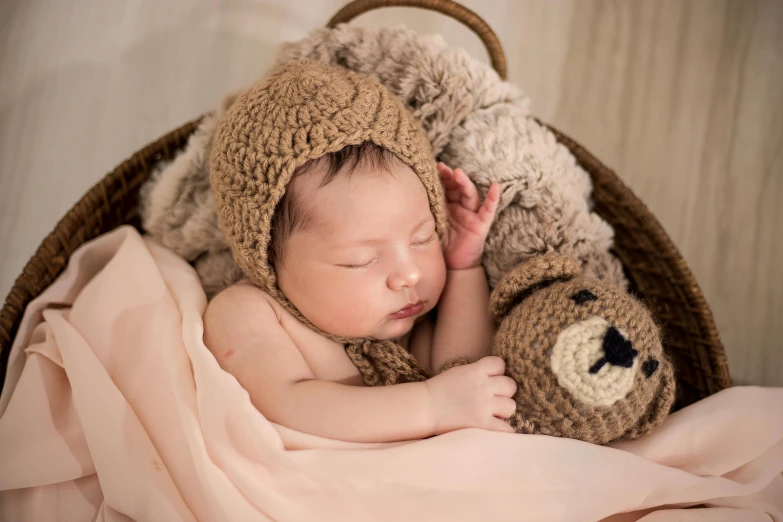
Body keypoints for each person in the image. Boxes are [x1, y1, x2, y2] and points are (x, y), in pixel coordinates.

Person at [203, 60, 516, 443]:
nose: (409, 274)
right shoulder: (249, 314)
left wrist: (463, 265)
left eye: (422, 237)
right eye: (361, 260)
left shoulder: (403, 321)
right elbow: (285, 404)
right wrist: (430, 406)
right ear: (266, 260)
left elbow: (467, 372)